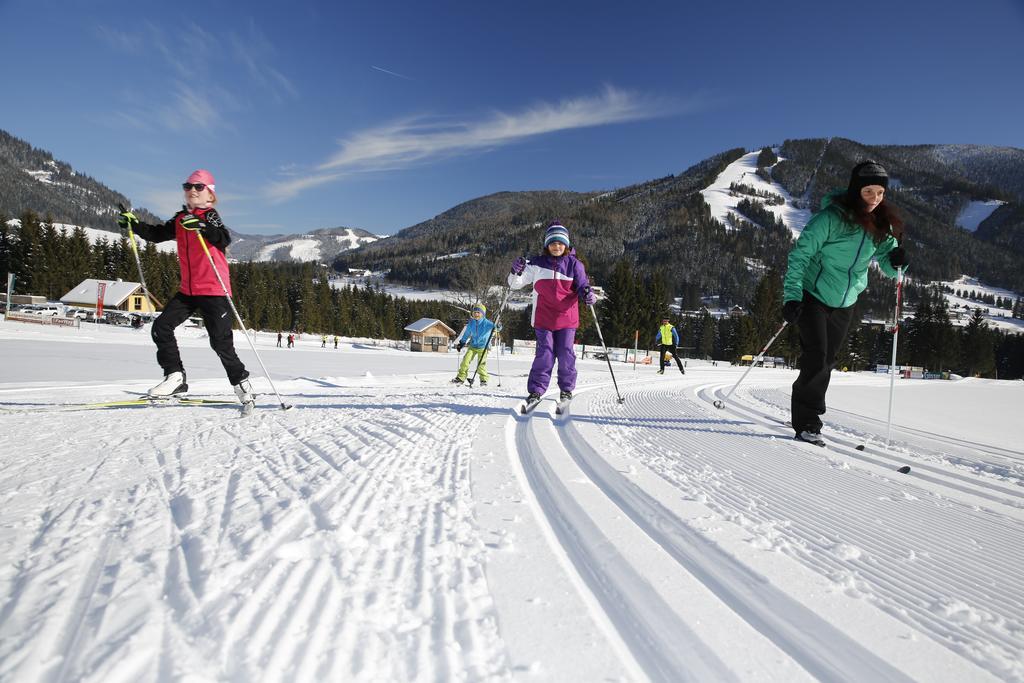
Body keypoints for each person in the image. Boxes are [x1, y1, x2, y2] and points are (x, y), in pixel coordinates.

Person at [782, 160, 907, 446]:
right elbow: (799, 256)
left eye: (880, 192)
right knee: (816, 355)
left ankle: (804, 412)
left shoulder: (879, 225)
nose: (875, 198)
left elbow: (889, 265)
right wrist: (792, 296)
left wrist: (899, 260)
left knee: (826, 360)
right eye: (868, 192)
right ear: (855, 191)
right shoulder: (830, 219)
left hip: (846, 300)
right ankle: (808, 421)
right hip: (812, 294)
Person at [117, 169, 254, 408]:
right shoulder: (181, 219)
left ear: (210, 194)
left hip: (214, 290)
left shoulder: (210, 216)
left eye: (198, 187)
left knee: (220, 342)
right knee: (161, 328)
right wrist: (134, 225)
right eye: (188, 186)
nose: (192, 190)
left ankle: (241, 382)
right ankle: (175, 377)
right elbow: (158, 234)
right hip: (188, 291)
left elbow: (223, 238)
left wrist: (202, 226)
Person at [508, 221, 594, 403]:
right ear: (547, 245)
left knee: (565, 353)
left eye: (561, 243)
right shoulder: (536, 264)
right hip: (543, 318)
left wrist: (588, 295)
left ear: (567, 245)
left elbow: (583, 286)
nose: (557, 247)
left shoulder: (575, 265)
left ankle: (566, 389)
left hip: (567, 319)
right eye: (553, 243)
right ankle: (537, 390)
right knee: (545, 354)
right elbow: (514, 284)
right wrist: (515, 271)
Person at [451, 303, 496, 386]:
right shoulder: (471, 323)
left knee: (481, 364)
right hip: (473, 346)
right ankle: (461, 377)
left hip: (483, 347)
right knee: (465, 361)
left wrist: (499, 325)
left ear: (483, 314)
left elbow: (496, 327)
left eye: (478, 312)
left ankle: (484, 380)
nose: (476, 314)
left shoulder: (486, 323)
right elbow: (467, 333)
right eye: (475, 312)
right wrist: (462, 343)